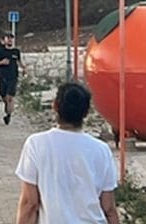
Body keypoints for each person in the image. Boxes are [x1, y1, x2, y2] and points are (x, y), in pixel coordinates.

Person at [15, 82, 119, 224]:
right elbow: (108, 208)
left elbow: (30, 204)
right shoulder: (101, 150)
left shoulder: (36, 144)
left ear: (55, 106)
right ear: (86, 112)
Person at [0, 32, 20, 125]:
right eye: (8, 38)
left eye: (11, 38)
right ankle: (7, 107)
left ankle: (8, 115)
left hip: (13, 77)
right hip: (3, 77)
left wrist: (24, 68)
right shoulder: (0, 51)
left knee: (10, 97)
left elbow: (20, 61)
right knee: (4, 97)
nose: (10, 40)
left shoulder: (16, 51)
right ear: (4, 40)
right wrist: (2, 62)